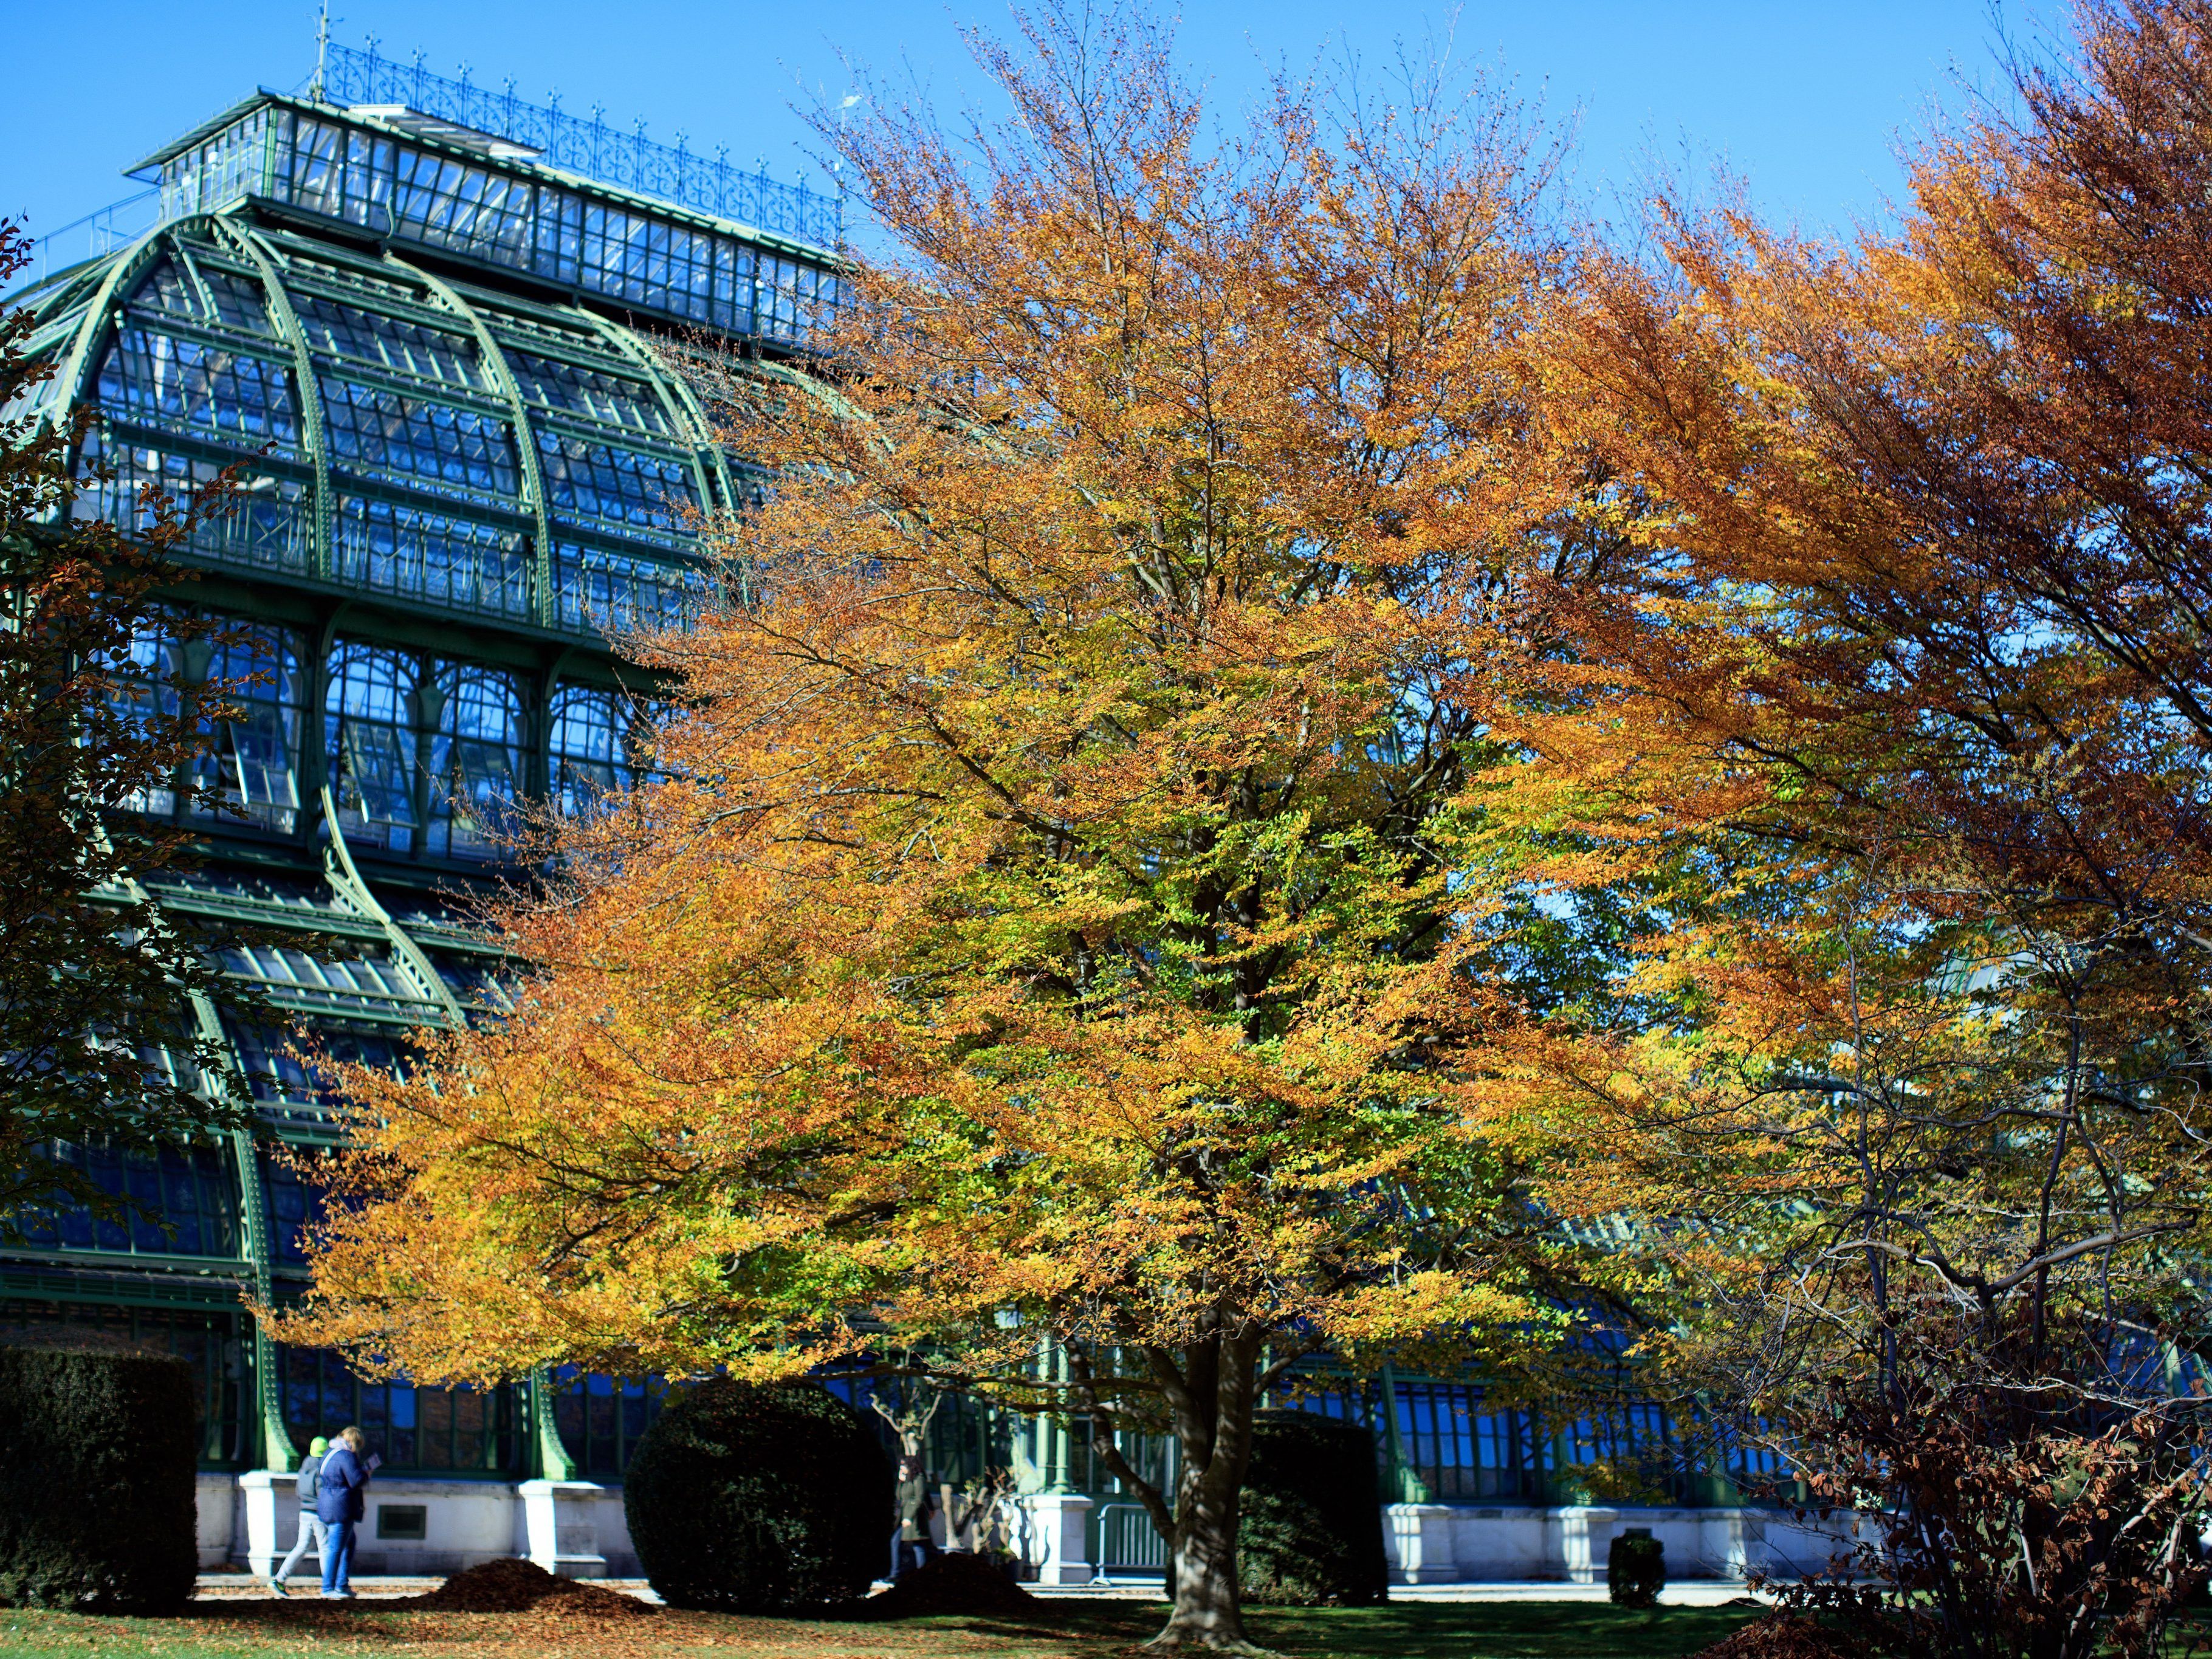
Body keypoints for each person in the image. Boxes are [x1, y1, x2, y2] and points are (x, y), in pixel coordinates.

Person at [266, 1436, 330, 1597]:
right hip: (318, 1513)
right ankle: (329, 1586)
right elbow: (322, 1492)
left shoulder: (305, 1466)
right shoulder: (321, 1468)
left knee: (301, 1547)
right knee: (325, 1549)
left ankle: (279, 1579)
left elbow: (299, 1490)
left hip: (304, 1511)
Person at [314, 1426, 372, 1600]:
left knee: (348, 1543)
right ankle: (329, 1587)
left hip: (326, 1503)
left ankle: (341, 1585)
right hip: (342, 1506)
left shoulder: (329, 1453)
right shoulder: (347, 1456)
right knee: (336, 1548)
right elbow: (356, 1481)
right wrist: (367, 1472)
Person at [894, 1454, 939, 1578]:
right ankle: (896, 1572)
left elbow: (921, 1497)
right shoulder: (907, 1481)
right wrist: (900, 1482)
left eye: (904, 1465)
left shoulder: (919, 1478)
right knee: (898, 1542)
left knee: (918, 1545)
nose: (902, 1468)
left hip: (914, 1518)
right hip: (904, 1516)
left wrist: (910, 1517)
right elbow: (899, 1496)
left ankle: (921, 1574)